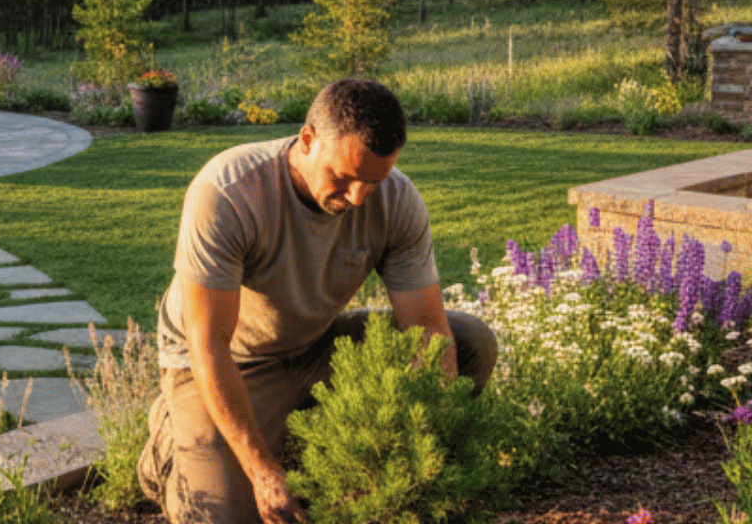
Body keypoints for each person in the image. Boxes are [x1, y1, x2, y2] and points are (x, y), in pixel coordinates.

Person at [137, 78, 497, 524]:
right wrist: (261, 472)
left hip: (315, 347)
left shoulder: (397, 200)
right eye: (344, 178)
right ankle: (168, 446)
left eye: (374, 181)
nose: (358, 198)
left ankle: (296, 444)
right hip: (227, 361)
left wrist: (426, 458)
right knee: (224, 516)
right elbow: (208, 346)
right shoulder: (228, 193)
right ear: (307, 140)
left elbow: (425, 330)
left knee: (467, 343)